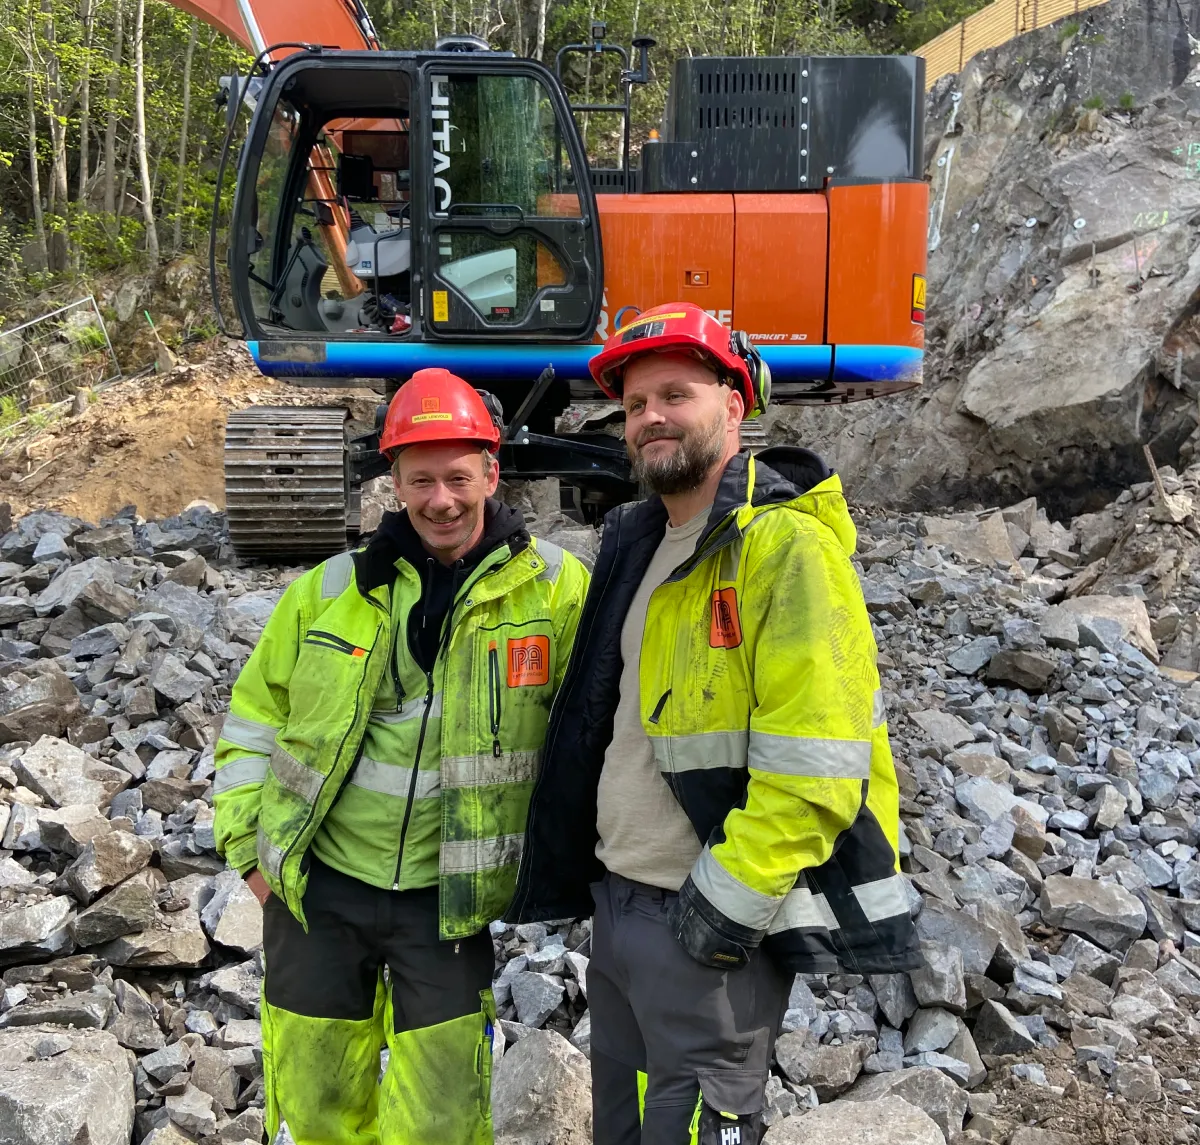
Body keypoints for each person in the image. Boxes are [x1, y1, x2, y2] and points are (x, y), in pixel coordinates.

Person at [509, 303, 920, 1144]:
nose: (651, 416)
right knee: (622, 1131)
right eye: (633, 405)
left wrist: (722, 909)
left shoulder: (785, 549)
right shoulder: (638, 539)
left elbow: (816, 767)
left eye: (675, 393)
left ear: (734, 406)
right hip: (620, 906)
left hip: (702, 920)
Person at [213, 368, 589, 1145]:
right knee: (317, 1102)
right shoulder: (327, 590)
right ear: (395, 482)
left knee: (445, 1115)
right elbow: (253, 720)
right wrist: (249, 853)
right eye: (421, 480)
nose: (442, 499)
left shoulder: (554, 591)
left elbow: (595, 726)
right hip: (320, 891)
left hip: (444, 901)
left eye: (458, 477)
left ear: (491, 471)